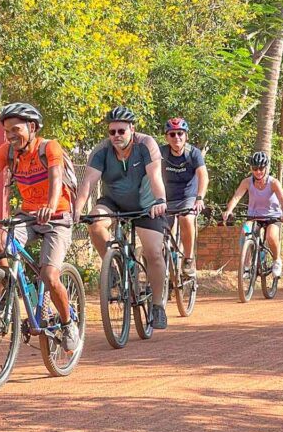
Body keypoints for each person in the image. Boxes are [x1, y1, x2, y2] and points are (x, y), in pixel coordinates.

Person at [0, 102, 79, 353]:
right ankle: (3, 298)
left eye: (15, 129)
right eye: (6, 131)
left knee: (49, 275)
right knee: (1, 240)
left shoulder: (49, 147)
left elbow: (56, 177)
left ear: (32, 127)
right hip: (28, 215)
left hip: (57, 217)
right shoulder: (7, 152)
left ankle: (68, 324)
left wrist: (50, 205)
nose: (10, 136)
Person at [72, 106, 170, 329]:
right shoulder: (101, 151)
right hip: (113, 202)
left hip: (146, 206)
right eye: (112, 131)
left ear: (132, 130)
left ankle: (157, 305)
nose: (116, 135)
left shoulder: (146, 145)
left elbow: (155, 176)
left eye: (121, 131)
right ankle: (114, 271)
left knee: (154, 252)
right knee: (95, 224)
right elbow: (87, 182)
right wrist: (77, 210)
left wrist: (160, 201)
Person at [221, 151, 283, 277]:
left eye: (261, 168)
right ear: (251, 169)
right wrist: (229, 210)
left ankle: (277, 261)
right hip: (254, 216)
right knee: (245, 231)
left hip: (273, 217)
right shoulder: (246, 182)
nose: (258, 172)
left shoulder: (273, 183)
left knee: (271, 236)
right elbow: (236, 198)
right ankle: (246, 266)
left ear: (266, 168)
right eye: (255, 168)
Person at [159, 117, 208, 277]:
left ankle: (188, 258)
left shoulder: (193, 153)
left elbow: (203, 176)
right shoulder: (161, 153)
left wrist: (200, 198)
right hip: (166, 198)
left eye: (180, 133)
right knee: (157, 230)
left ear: (186, 135)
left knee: (186, 219)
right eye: (172, 134)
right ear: (167, 137)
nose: (176, 137)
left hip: (188, 197)